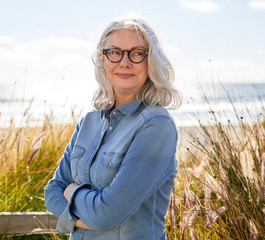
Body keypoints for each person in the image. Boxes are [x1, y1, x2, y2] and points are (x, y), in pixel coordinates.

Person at [44, 14, 182, 240]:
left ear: (151, 61)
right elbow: (52, 191)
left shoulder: (156, 126)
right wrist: (83, 218)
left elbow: (106, 214)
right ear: (103, 59)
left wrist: (72, 193)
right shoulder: (88, 122)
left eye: (137, 53)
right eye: (115, 52)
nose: (124, 62)